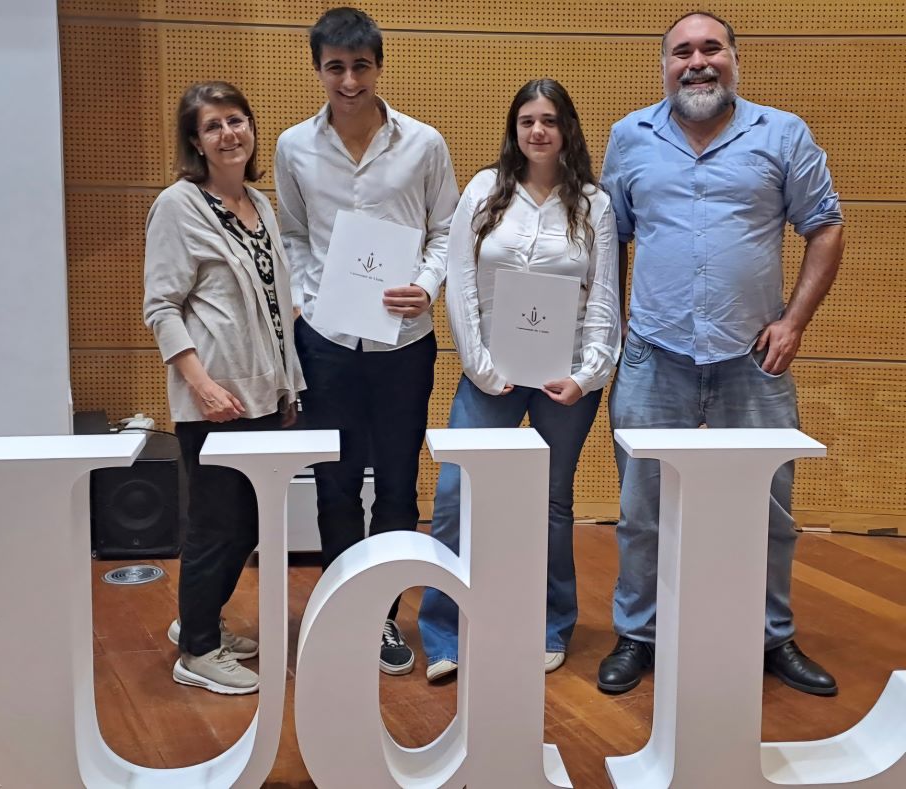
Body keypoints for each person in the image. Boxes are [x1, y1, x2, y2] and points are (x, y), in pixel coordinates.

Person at [598, 11, 845, 695]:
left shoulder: (783, 133)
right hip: (654, 356)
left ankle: (771, 635)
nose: (697, 62)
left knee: (769, 509)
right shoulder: (629, 137)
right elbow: (610, 237)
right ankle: (638, 633)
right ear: (664, 67)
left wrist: (794, 322)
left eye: (712, 49)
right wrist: (614, 328)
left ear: (736, 59)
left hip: (754, 360)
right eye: (682, 52)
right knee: (642, 510)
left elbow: (825, 226)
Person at [274, 7, 459, 676]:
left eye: (360, 67)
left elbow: (447, 230)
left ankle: (382, 611)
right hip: (326, 340)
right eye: (335, 68)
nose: (349, 81)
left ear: (379, 67)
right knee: (335, 481)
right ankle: (342, 606)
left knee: (399, 485)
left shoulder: (424, 143)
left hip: (404, 341)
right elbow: (292, 234)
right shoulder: (294, 146)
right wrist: (307, 299)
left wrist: (427, 286)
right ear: (318, 69)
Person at [416, 79, 621, 682]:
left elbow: (603, 295)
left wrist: (587, 375)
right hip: (491, 375)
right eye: (527, 120)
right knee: (455, 495)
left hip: (566, 379)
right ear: (514, 129)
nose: (538, 130)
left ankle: (550, 625)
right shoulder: (484, 190)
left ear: (567, 130)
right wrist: (481, 366)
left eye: (550, 120)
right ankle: (445, 632)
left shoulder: (594, 205)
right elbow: (461, 282)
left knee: (552, 504)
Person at [143, 81, 305, 695]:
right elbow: (162, 306)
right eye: (213, 126)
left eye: (236, 120)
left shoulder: (259, 204)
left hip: (263, 394)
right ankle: (197, 651)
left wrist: (289, 387)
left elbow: (275, 304)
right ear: (195, 141)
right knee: (216, 525)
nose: (228, 134)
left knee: (247, 523)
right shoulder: (178, 205)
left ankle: (199, 621)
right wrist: (202, 386)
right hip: (215, 400)